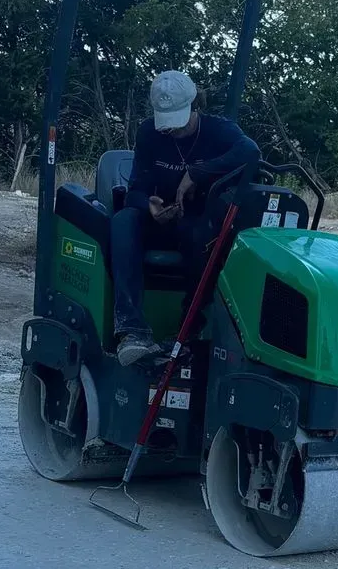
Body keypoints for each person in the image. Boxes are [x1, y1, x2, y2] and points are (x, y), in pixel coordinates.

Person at [109, 69, 259, 368]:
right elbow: (136, 188)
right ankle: (132, 330)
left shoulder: (219, 131)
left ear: (194, 106)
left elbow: (251, 152)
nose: (170, 131)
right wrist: (149, 204)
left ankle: (189, 332)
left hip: (195, 222)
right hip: (160, 220)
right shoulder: (149, 133)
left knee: (202, 236)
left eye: (176, 124)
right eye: (165, 124)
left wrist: (197, 173)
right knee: (124, 220)